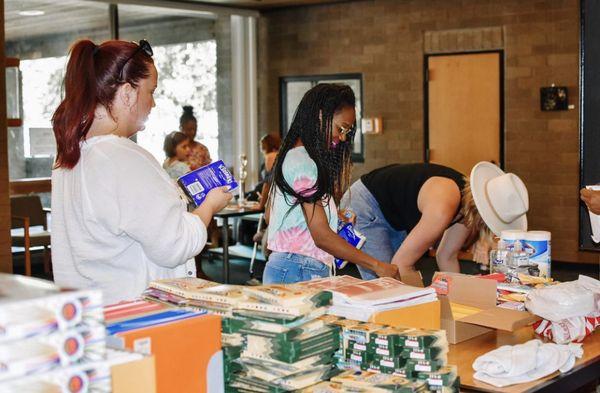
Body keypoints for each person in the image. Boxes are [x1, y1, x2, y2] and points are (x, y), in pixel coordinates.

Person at [50, 39, 232, 304]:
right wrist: (209, 206)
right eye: (151, 91)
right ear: (127, 92)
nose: (153, 103)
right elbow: (176, 245)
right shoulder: (123, 158)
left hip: (92, 312)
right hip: (139, 317)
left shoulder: (72, 155)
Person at [264, 83, 400, 284]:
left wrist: (332, 218)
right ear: (321, 115)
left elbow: (271, 216)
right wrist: (377, 266)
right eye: (341, 128)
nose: (343, 137)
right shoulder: (305, 164)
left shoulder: (293, 156)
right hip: (299, 268)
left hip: (288, 266)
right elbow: (321, 236)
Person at [341, 161, 529, 278]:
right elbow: (401, 264)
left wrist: (459, 301)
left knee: (397, 281)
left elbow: (446, 256)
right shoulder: (443, 206)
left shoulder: (465, 207)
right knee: (386, 284)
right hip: (365, 204)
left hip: (392, 213)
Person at [179, 105, 211, 170]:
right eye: (189, 129)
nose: (193, 132)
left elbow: (209, 172)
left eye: (195, 129)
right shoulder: (175, 149)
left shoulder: (202, 149)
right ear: (181, 128)